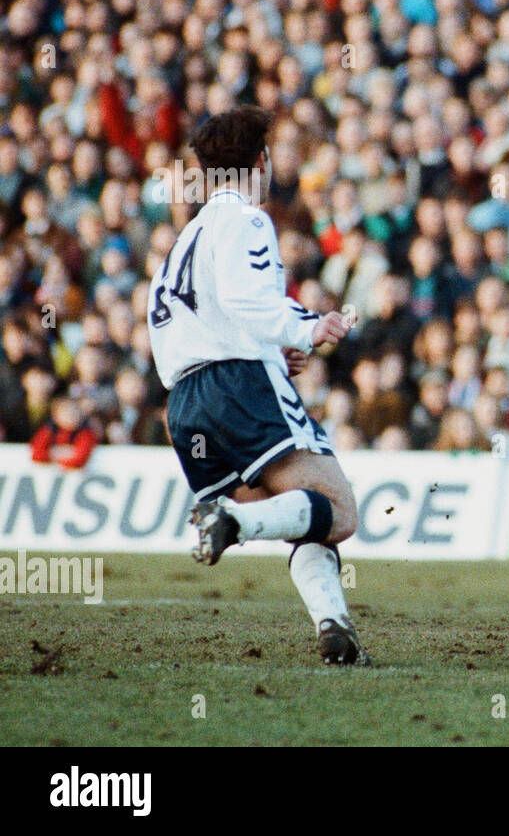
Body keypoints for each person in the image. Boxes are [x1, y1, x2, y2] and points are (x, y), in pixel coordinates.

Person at [146, 106, 369, 665]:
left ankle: (333, 628)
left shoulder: (185, 240)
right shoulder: (246, 220)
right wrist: (306, 327)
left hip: (187, 403)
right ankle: (232, 521)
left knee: (296, 511)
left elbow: (178, 322)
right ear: (261, 161)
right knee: (337, 509)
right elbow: (248, 300)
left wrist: (271, 347)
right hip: (237, 386)